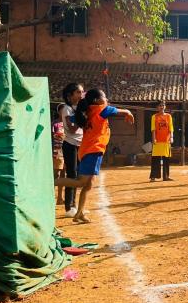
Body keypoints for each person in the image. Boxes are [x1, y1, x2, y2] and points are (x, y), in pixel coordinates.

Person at [54, 89, 134, 223]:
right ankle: (51, 183)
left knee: (88, 184)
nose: (107, 99)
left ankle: (79, 213)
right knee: (81, 182)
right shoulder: (101, 109)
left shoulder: (87, 111)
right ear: (97, 100)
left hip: (87, 150)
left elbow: (72, 120)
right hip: (93, 150)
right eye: (104, 97)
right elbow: (122, 111)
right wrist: (129, 113)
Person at [60, 83, 84, 218]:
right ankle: (69, 207)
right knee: (71, 174)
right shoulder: (66, 109)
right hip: (70, 144)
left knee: (79, 175)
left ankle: (75, 206)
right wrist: (81, 115)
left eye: (82, 92)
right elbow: (73, 128)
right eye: (78, 92)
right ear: (70, 96)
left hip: (80, 144)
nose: (81, 95)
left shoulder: (77, 108)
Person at [150, 101, 174, 182]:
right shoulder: (154, 116)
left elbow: (171, 128)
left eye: (163, 105)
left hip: (166, 140)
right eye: (160, 105)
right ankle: (153, 176)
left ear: (165, 107)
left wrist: (171, 137)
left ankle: (166, 176)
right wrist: (153, 139)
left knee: (166, 159)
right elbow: (153, 129)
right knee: (155, 158)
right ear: (157, 107)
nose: (162, 107)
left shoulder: (168, 116)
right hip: (157, 140)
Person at [52, 104, 66, 205]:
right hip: (57, 151)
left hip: (67, 150)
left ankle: (60, 198)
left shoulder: (69, 123)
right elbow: (50, 137)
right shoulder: (54, 124)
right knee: (56, 174)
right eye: (62, 111)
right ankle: (51, 196)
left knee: (63, 175)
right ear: (58, 112)